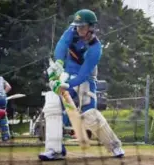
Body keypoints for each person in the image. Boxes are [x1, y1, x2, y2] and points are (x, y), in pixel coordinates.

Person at [39, 9, 125, 161]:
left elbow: (83, 75)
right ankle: (55, 149)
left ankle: (114, 146)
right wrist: (59, 63)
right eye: (77, 26)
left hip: (85, 78)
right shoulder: (71, 32)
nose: (79, 30)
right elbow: (61, 45)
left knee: (88, 112)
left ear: (92, 27)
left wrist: (65, 84)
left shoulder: (96, 48)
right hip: (66, 73)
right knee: (53, 104)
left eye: (83, 27)